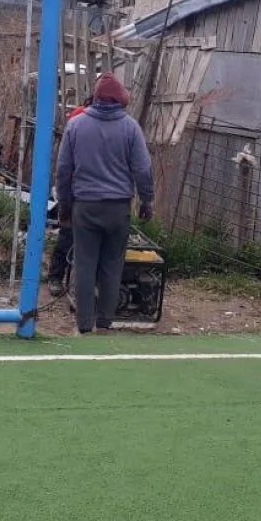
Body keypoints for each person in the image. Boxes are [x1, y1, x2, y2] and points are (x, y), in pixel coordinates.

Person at [55, 73, 154, 334]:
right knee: (112, 264)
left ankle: (84, 324)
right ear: (120, 99)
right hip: (118, 207)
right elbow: (143, 169)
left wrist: (64, 205)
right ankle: (105, 321)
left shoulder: (76, 125)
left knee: (85, 263)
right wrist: (146, 200)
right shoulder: (131, 127)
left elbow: (63, 170)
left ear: (96, 97)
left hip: (85, 206)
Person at [47, 97, 92, 297]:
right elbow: (66, 165)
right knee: (68, 235)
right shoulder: (81, 119)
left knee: (71, 236)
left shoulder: (83, 119)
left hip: (84, 189)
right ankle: (57, 277)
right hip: (77, 189)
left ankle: (64, 278)